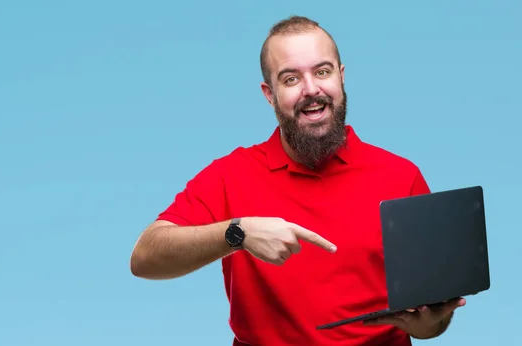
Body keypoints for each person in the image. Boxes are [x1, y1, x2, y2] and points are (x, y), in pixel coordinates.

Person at [130, 15, 465, 346]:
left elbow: (429, 327)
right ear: (269, 94)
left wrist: (429, 321)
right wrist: (237, 233)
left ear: (341, 76)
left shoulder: (400, 176)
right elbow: (145, 257)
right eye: (291, 79)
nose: (311, 89)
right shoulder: (231, 175)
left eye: (322, 71)